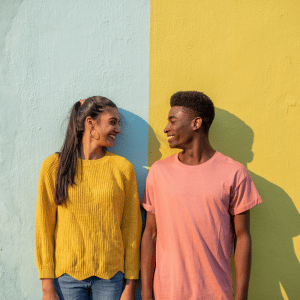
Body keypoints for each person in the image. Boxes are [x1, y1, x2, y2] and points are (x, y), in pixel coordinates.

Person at [141, 91, 262, 300]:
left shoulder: (234, 173)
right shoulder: (159, 172)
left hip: (216, 293)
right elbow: (150, 234)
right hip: (167, 293)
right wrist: (145, 293)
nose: (166, 128)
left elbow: (242, 237)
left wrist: (241, 296)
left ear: (196, 123)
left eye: (173, 121)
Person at [35, 96, 142, 300]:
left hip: (111, 278)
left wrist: (130, 285)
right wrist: (47, 286)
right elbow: (44, 227)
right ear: (90, 122)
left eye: (118, 123)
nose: (118, 129)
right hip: (66, 278)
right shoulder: (54, 166)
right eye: (112, 122)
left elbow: (131, 230)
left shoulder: (122, 169)